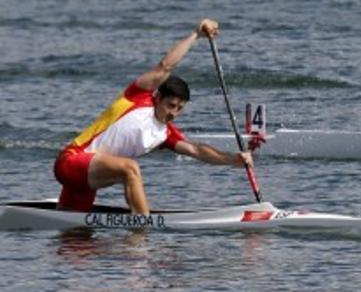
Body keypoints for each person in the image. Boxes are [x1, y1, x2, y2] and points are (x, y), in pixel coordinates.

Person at [53, 19, 253, 214]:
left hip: (88, 181)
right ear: (158, 98)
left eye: (180, 108)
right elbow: (166, 66)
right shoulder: (136, 96)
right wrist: (196, 35)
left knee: (75, 237)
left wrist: (233, 159)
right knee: (130, 169)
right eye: (171, 105)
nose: (173, 113)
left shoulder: (165, 134)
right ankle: (143, 226)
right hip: (70, 162)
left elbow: (197, 151)